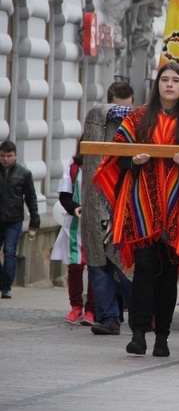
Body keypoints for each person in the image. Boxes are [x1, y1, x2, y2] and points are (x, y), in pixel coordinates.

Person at [94, 62, 179, 357]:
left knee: (167, 273)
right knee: (144, 269)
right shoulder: (139, 117)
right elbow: (118, 155)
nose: (169, 85)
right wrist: (134, 161)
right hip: (140, 206)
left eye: (175, 80)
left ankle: (163, 338)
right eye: (164, 80)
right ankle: (139, 334)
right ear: (157, 85)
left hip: (177, 207)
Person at [82, 81, 134, 336]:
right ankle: (108, 318)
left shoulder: (138, 125)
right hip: (96, 204)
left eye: (128, 107)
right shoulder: (96, 119)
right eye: (117, 107)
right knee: (98, 265)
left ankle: (141, 314)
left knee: (125, 265)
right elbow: (100, 113)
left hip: (123, 204)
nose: (123, 113)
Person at [51, 141, 96, 326]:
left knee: (96, 268)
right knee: (75, 267)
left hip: (98, 224)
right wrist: (75, 208)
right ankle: (76, 306)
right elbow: (64, 196)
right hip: (76, 224)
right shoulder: (74, 168)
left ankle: (92, 309)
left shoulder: (106, 165)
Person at [0, 140, 40, 299]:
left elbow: (31, 198)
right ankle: (2, 279)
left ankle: (6, 287)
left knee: (9, 252)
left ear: (15, 155)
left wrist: (34, 221)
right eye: (2, 156)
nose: (5, 159)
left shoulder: (24, 174)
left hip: (14, 219)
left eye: (9, 156)